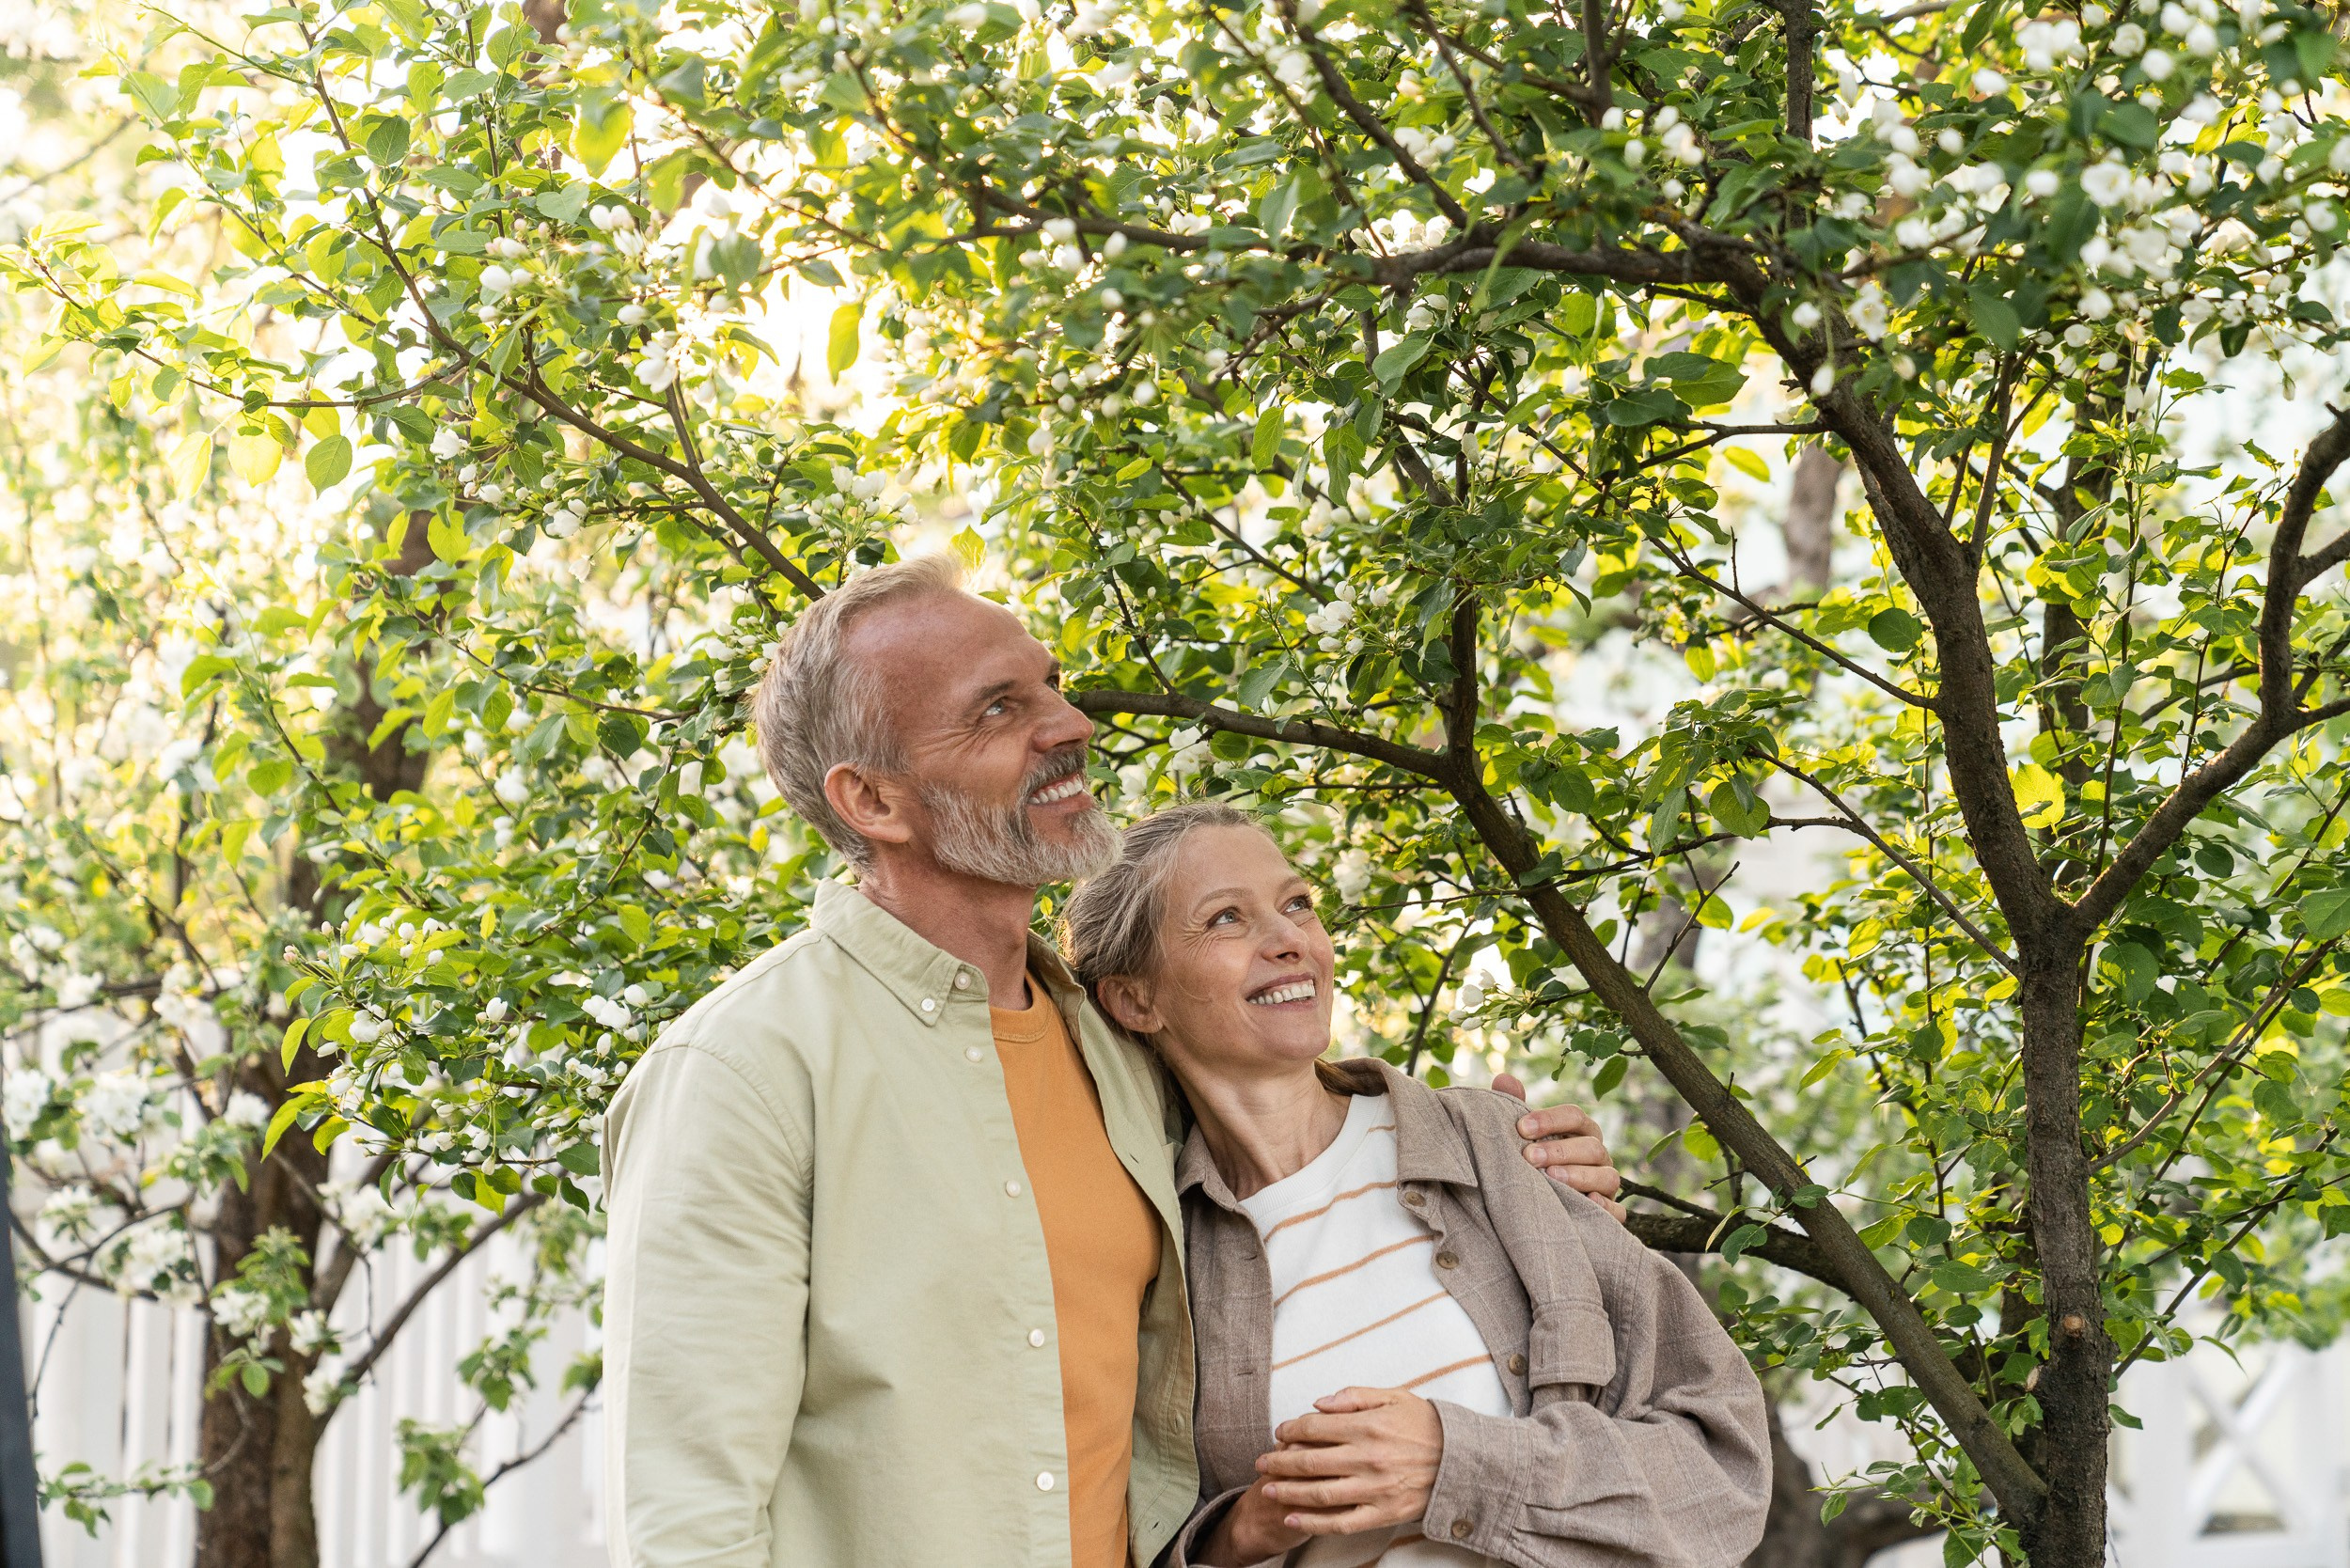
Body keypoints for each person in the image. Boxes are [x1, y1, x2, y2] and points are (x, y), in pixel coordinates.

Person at [600, 556, 1624, 1568]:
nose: (1070, 723)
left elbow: (1292, 1140)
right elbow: (685, 1517)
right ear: (873, 801)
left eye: (1049, 684)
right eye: (999, 708)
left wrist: (1511, 1176)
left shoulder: (1116, 1053)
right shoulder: (742, 1074)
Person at [1063, 803, 1771, 1568]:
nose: (1289, 940)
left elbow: (1721, 1465)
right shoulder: (1151, 1257)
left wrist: (1454, 1466)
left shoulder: (1494, 1151)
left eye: (1298, 904)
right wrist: (1238, 1536)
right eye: (1227, 919)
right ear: (1135, 1000)